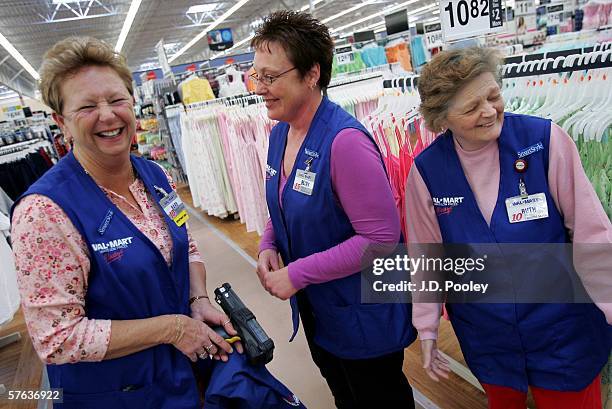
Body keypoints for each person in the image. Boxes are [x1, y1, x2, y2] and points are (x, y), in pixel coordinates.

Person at [9, 36, 244, 408]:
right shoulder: (45, 212)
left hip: (182, 376)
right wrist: (173, 328)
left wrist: (196, 298)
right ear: (61, 122)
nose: (107, 115)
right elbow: (57, 337)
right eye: (87, 106)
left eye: (117, 100)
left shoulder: (154, 174)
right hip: (119, 393)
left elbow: (186, 245)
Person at [406, 47, 612, 409]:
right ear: (441, 120)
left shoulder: (546, 141)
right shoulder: (425, 173)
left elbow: (592, 235)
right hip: (487, 334)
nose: (488, 111)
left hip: (562, 327)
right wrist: (426, 329)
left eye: (493, 96)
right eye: (471, 108)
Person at [252, 11, 416, 409]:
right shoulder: (279, 134)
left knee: (376, 397)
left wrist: (298, 273)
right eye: (256, 76)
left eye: (270, 77)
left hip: (362, 316)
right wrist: (268, 242)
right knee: (345, 395)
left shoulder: (345, 143)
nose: (260, 88)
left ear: (311, 74)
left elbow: (379, 240)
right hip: (320, 311)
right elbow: (283, 203)